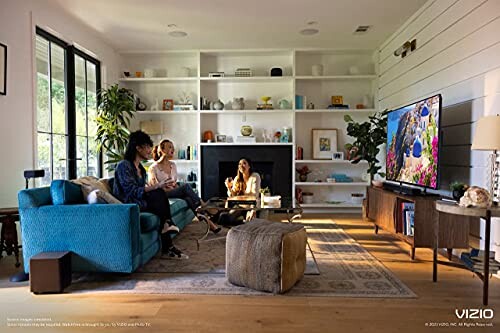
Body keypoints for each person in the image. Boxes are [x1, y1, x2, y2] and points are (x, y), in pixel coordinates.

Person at [113, 130, 187, 259]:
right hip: (129, 204)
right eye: (147, 146)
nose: (150, 150)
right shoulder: (123, 166)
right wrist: (157, 186)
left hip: (140, 200)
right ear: (138, 148)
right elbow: (131, 191)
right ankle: (168, 239)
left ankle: (167, 231)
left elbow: (142, 190)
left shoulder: (141, 168)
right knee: (158, 193)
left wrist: (158, 187)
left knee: (159, 194)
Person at [148, 139, 221, 233]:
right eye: (170, 147)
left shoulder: (173, 165)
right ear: (162, 150)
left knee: (188, 199)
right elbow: (154, 187)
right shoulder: (153, 168)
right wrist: (167, 187)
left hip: (173, 191)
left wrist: (174, 187)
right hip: (162, 194)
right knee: (186, 187)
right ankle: (203, 205)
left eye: (173, 147)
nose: (173, 149)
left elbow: (174, 182)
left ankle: (210, 224)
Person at [222, 158, 261, 224]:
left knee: (250, 222)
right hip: (240, 206)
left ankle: (245, 221)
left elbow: (255, 195)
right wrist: (229, 187)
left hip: (252, 205)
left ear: (249, 166)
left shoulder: (255, 176)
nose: (241, 165)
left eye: (244, 163)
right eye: (239, 164)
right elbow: (232, 196)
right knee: (225, 218)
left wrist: (253, 210)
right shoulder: (237, 178)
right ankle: (242, 221)